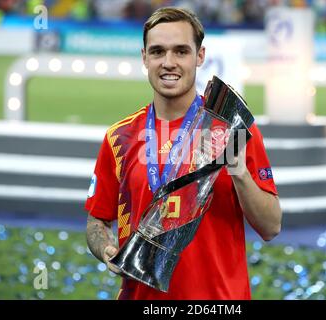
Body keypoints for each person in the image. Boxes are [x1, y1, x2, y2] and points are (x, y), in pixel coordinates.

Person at [85, 6, 282, 300]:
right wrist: (106, 249)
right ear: (144, 58)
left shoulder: (232, 129)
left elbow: (271, 227)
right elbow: (97, 221)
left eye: (181, 51)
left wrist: (239, 173)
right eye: (157, 52)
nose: (168, 62)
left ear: (199, 56)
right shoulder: (119, 137)